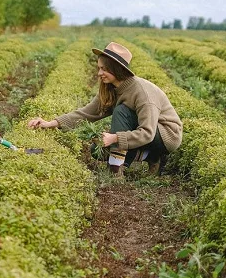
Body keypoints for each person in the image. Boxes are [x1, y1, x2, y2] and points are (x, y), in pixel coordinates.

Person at [28, 41, 182, 176]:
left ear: (116, 70)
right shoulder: (110, 88)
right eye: (99, 68)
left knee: (121, 111)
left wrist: (115, 138)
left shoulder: (142, 94)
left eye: (104, 69)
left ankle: (116, 170)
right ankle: (150, 156)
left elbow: (147, 133)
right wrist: (50, 123)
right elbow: (87, 113)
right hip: (144, 132)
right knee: (97, 149)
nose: (99, 73)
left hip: (165, 135)